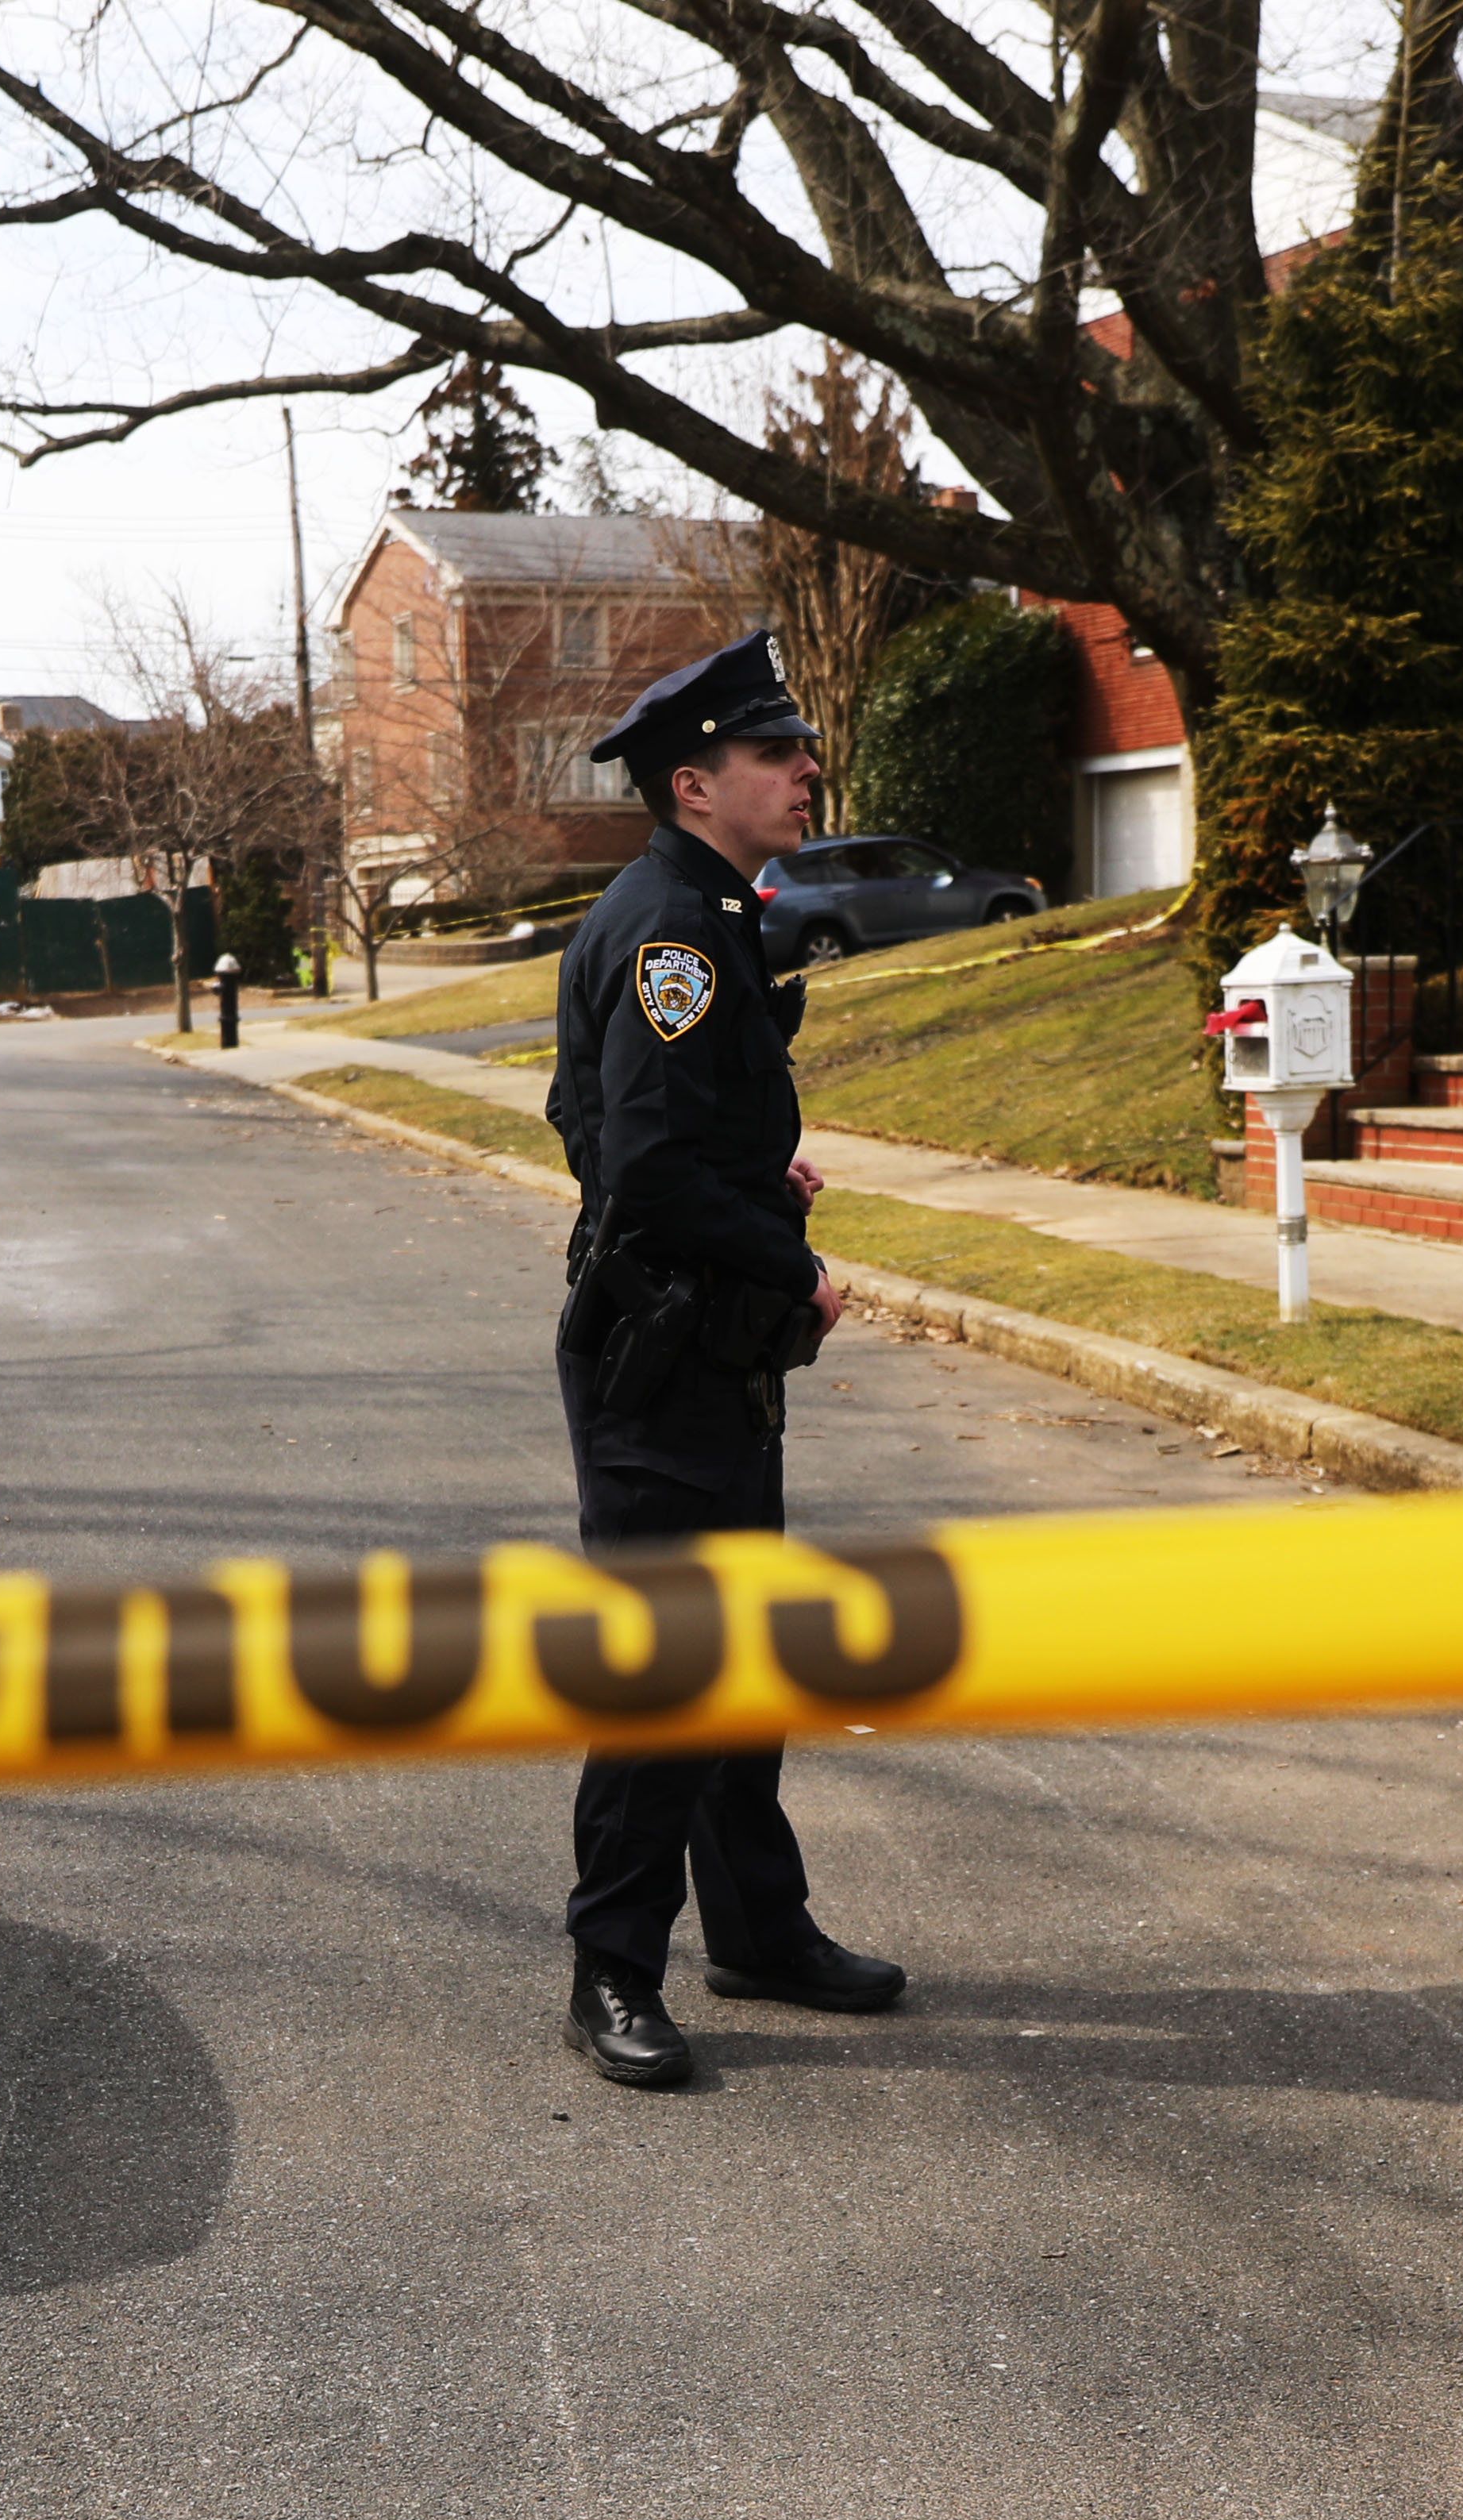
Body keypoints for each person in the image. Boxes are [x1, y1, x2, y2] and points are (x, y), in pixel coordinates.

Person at [541, 630, 907, 2091]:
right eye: (777, 754)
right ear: (696, 783)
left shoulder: (693, 909)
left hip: (699, 1342)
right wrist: (788, 1261)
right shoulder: (677, 931)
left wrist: (765, 1185)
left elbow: (603, 1116)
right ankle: (613, 1969)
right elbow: (639, 1164)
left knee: (736, 1654)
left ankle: (760, 1929)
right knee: (665, 1675)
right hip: (663, 1355)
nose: (807, 770)